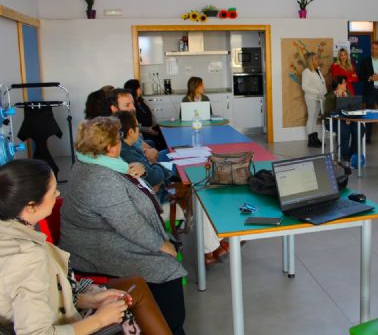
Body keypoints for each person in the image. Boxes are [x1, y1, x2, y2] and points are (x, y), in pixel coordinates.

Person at [0, 159, 172, 335]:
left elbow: (42, 296)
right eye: (53, 191)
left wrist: (88, 300)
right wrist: (100, 319)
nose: (58, 193)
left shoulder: (10, 233)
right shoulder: (27, 258)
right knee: (138, 289)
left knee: (134, 285)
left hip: (62, 309)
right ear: (31, 207)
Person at [59, 117, 187, 334]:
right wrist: (163, 246)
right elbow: (131, 225)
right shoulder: (100, 179)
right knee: (165, 267)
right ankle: (171, 326)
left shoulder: (91, 164)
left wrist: (136, 171)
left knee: (164, 257)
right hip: (95, 253)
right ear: (110, 146)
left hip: (98, 240)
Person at [115, 111, 228, 266]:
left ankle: (214, 245)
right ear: (130, 132)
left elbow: (153, 172)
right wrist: (158, 171)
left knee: (197, 190)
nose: (139, 130)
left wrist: (155, 169)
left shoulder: (127, 148)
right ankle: (210, 249)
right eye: (137, 127)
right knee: (201, 195)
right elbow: (154, 177)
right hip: (157, 203)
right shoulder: (128, 154)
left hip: (154, 195)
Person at [108, 88, 160, 163]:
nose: (133, 108)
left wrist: (151, 151)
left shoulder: (128, 121)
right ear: (114, 109)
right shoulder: (117, 131)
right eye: (127, 105)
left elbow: (141, 143)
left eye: (133, 103)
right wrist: (148, 154)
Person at [323, 76, 365, 163]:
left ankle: (354, 154)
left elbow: (354, 108)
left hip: (348, 120)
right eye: (344, 82)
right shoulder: (330, 96)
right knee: (345, 130)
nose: (346, 84)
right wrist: (338, 99)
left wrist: (346, 98)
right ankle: (345, 155)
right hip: (332, 121)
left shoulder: (348, 92)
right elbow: (328, 112)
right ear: (339, 85)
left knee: (360, 128)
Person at [124, 78, 167, 150]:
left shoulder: (141, 101)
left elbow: (150, 114)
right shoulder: (131, 107)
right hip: (144, 132)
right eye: (139, 88)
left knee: (165, 131)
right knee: (159, 139)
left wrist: (156, 126)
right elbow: (136, 126)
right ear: (135, 90)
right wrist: (149, 130)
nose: (141, 89)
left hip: (150, 128)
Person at [301, 52, 327, 148]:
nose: (317, 59)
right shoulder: (306, 72)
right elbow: (304, 87)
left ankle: (315, 139)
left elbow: (322, 83)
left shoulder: (318, 70)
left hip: (319, 98)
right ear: (311, 60)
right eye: (315, 58)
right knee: (311, 117)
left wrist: (325, 94)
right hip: (311, 98)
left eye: (317, 58)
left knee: (315, 118)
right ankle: (311, 140)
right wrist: (317, 92)